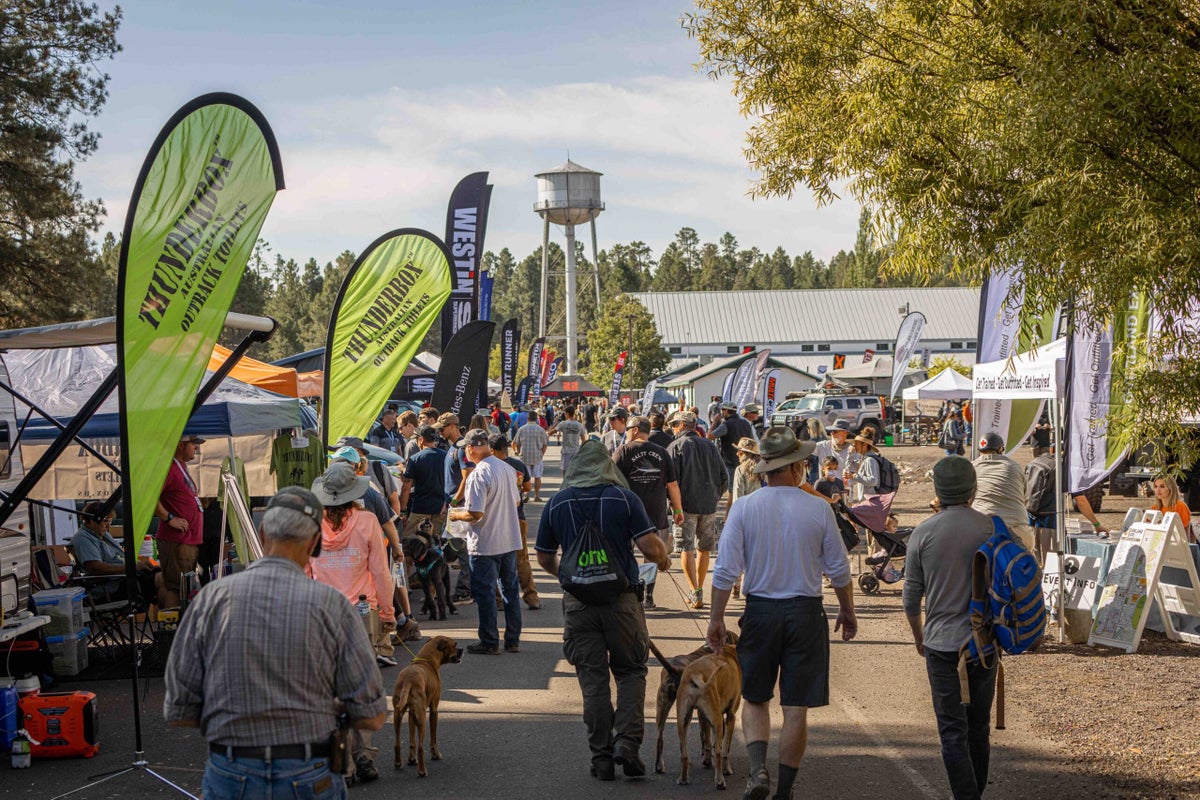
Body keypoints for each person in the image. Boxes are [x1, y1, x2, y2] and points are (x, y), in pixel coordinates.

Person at [164, 487, 387, 796]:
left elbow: (180, 712)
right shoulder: (332, 606)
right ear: (314, 543)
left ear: (262, 532)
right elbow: (372, 715)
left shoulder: (211, 600)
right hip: (309, 772)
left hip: (231, 772)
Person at [706, 426, 856, 800]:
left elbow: (725, 571)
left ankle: (758, 772)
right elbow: (839, 570)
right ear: (798, 467)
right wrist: (847, 611)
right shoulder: (819, 508)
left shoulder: (744, 508)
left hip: (759, 612)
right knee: (795, 706)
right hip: (805, 612)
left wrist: (716, 619)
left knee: (755, 699)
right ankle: (784, 790)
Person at [535, 440, 671, 781]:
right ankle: (626, 742)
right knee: (630, 672)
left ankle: (601, 759)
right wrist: (664, 558)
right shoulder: (623, 498)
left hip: (579, 605)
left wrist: (570, 576)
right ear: (607, 468)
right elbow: (649, 546)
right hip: (621, 600)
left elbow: (543, 557)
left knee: (592, 682)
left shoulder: (557, 503)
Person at [903, 456, 999, 800]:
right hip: (984, 643)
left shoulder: (923, 533)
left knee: (951, 732)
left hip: (941, 645)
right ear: (973, 489)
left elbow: (911, 597)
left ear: (937, 491)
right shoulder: (991, 528)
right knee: (979, 728)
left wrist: (919, 636)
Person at [309, 462, 399, 678]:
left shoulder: (311, 524)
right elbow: (380, 572)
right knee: (360, 677)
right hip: (362, 610)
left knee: (327, 675)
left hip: (323, 610)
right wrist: (387, 613)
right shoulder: (367, 521)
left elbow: (304, 573)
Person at [448, 429, 523, 655]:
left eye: (465, 449)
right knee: (510, 591)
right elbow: (517, 501)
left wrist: (456, 515)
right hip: (509, 539)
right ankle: (512, 639)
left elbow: (475, 513)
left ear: (471, 448)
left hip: (485, 544)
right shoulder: (508, 469)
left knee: (486, 593)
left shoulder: (479, 474)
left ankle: (490, 640)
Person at [612, 416, 684, 609]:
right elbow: (673, 485)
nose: (625, 432)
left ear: (635, 430)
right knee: (651, 554)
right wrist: (677, 509)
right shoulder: (661, 452)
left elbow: (611, 481)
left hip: (627, 510)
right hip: (655, 510)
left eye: (627, 429)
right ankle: (648, 595)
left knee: (625, 551)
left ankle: (631, 590)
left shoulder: (623, 451)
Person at [666, 410, 728, 609]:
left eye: (675, 424)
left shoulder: (675, 446)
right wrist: (715, 496)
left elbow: (670, 481)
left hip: (685, 506)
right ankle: (699, 588)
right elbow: (724, 477)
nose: (673, 428)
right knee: (704, 548)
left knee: (687, 548)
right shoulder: (709, 445)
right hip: (709, 505)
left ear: (683, 425)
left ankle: (694, 591)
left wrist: (674, 506)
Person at [71, 501, 163, 606]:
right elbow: (95, 568)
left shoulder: (103, 535)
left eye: (110, 522)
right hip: (111, 586)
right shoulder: (83, 539)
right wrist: (131, 567)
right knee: (164, 580)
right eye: (105, 521)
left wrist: (138, 565)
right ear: (91, 521)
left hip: (124, 578)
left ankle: (170, 617)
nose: (108, 525)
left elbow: (120, 556)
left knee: (165, 578)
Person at [490, 433, 542, 610]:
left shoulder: (489, 467)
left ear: (491, 450)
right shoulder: (518, 465)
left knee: (495, 559)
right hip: (518, 517)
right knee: (522, 559)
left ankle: (499, 600)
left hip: (496, 519)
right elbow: (527, 487)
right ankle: (531, 596)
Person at [155, 435, 205, 608]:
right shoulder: (168, 467)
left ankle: (178, 627)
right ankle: (172, 631)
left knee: (184, 588)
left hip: (186, 540)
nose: (196, 448)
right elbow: (150, 498)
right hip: (176, 540)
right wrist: (169, 518)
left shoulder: (181, 466)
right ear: (181, 445)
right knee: (177, 589)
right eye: (194, 444)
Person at [971, 432, 1035, 552]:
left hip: (985, 530)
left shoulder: (972, 467)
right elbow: (1026, 496)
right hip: (1018, 530)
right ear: (1001, 449)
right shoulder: (1013, 466)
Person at [399, 425, 447, 538]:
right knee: (436, 543)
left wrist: (402, 510)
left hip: (420, 508)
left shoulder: (415, 459)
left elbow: (406, 487)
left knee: (411, 541)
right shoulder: (446, 456)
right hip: (440, 508)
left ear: (421, 440)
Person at [513, 413, 551, 501]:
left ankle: (525, 494)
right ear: (536, 419)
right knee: (537, 477)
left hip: (524, 456)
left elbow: (516, 443)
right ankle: (536, 495)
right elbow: (545, 445)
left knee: (524, 477)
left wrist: (518, 452)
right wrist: (542, 454)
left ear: (527, 419)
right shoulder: (541, 430)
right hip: (537, 456)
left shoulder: (521, 429)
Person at [548, 406, 586, 475]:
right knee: (574, 470)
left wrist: (554, 426)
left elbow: (550, 432)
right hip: (576, 451)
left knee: (565, 470)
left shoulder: (563, 423)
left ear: (567, 414)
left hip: (566, 451)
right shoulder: (580, 425)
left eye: (565, 414)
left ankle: (565, 484)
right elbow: (583, 439)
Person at [731, 438, 764, 502]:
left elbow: (737, 497)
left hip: (747, 509)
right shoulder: (765, 468)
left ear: (744, 453)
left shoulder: (740, 470)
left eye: (739, 451)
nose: (737, 454)